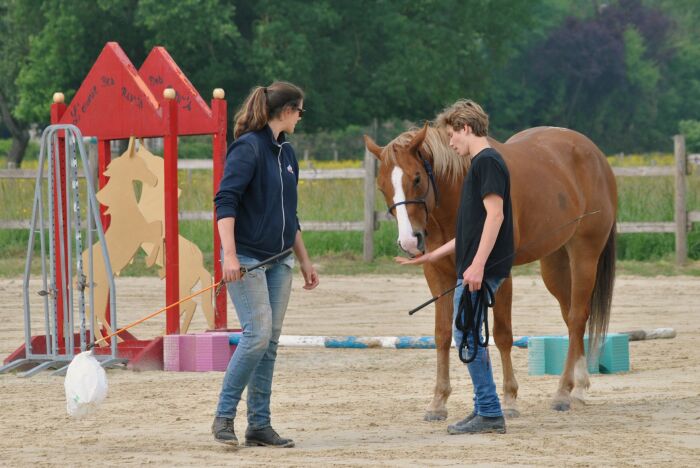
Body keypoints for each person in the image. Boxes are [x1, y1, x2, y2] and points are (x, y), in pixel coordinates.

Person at [212, 81, 319, 448]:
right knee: (256, 335)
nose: (301, 118)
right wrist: (228, 255)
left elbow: (291, 214)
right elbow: (225, 202)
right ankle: (224, 416)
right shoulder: (247, 149)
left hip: (280, 262)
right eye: (300, 111)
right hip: (246, 259)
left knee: (269, 343)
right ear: (287, 111)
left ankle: (259, 425)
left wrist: (304, 259)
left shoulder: (287, 154)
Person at [397, 99, 513, 434]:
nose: (449, 143)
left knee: (464, 333)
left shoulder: (487, 163)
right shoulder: (477, 165)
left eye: (452, 135)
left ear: (465, 128)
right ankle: (484, 408)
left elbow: (495, 216)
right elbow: (470, 228)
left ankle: (489, 412)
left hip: (483, 267)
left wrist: (476, 266)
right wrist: (432, 256)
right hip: (476, 264)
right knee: (469, 332)